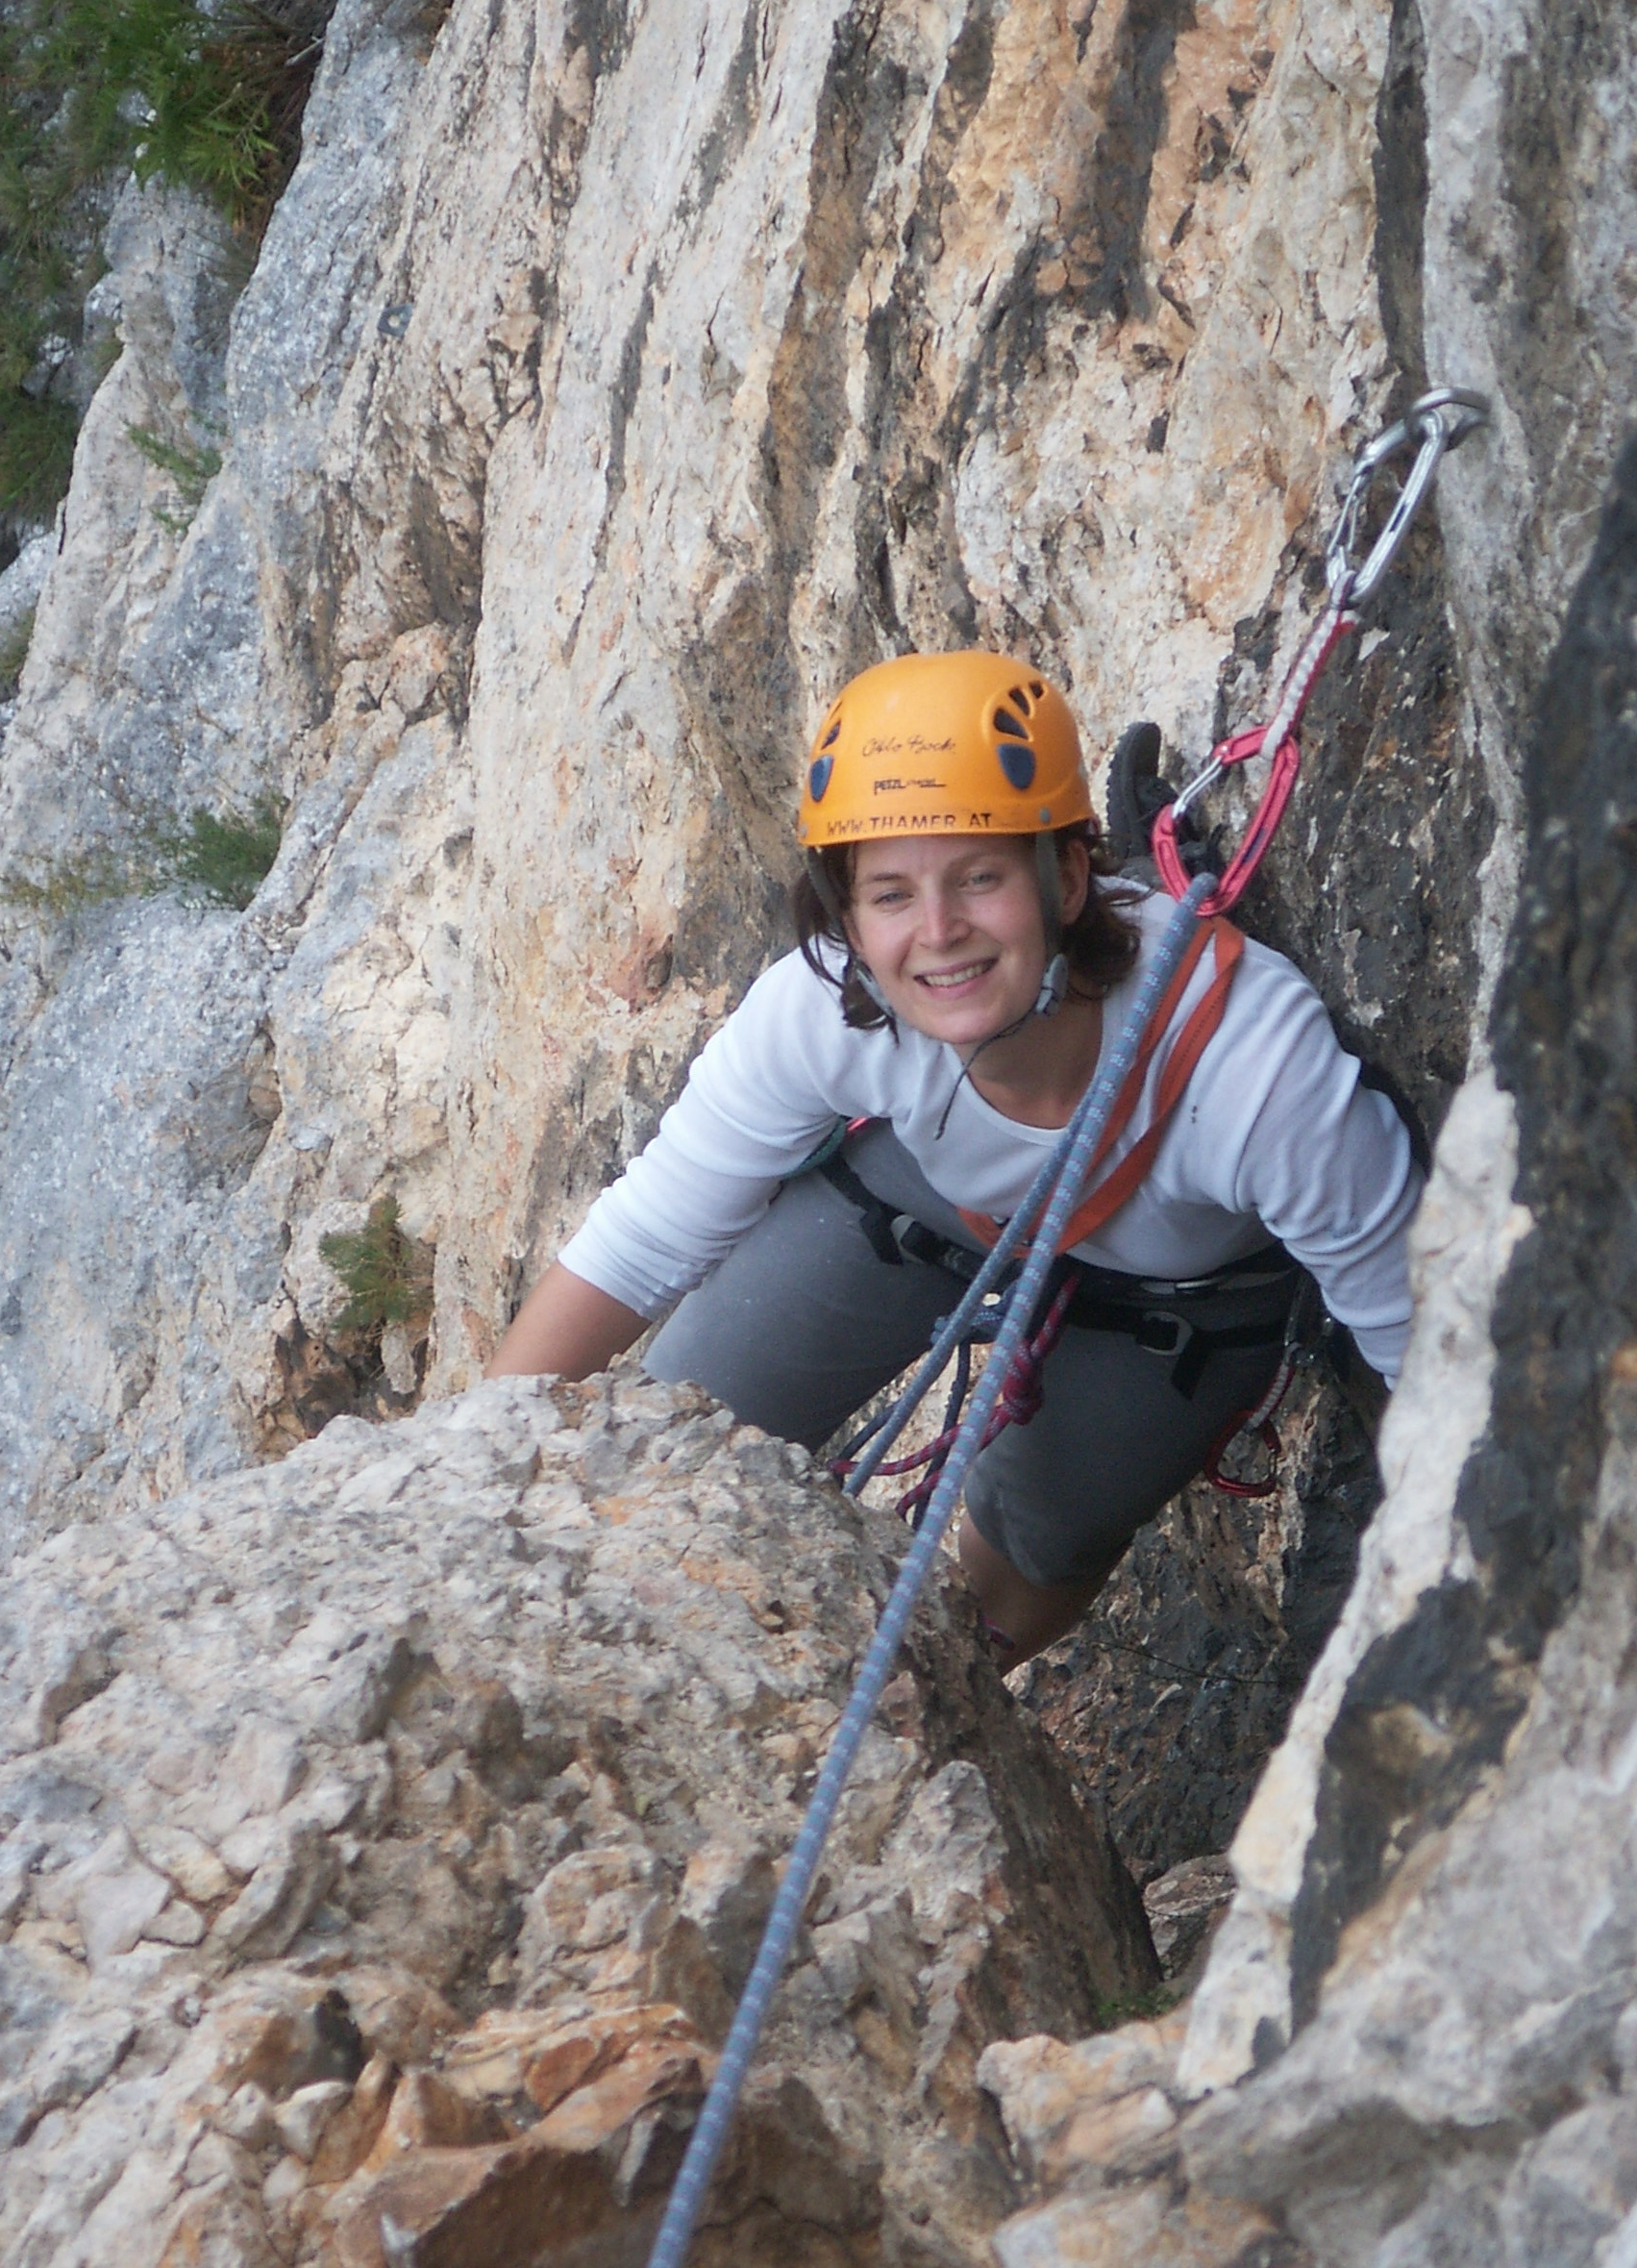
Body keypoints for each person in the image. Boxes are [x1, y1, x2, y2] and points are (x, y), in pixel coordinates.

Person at [486, 650, 1421, 1657]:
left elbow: (1427, 1356)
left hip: (1185, 1294)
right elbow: (638, 1248)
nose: (938, 932)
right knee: (681, 1436)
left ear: (1068, 879)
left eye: (980, 878)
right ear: (847, 919)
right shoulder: (824, 1012)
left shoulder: (1257, 1078)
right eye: (890, 895)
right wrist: (472, 1479)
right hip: (932, 1205)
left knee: (1038, 1538)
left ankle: (929, 1717)